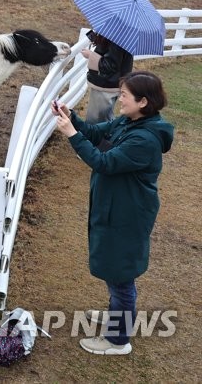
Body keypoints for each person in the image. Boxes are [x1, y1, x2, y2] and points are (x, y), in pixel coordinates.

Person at [52, 70, 174, 356]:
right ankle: (116, 317)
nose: (120, 100)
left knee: (121, 276)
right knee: (115, 271)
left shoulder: (144, 140)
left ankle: (118, 340)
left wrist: (70, 133)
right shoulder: (131, 121)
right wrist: (74, 119)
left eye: (124, 96)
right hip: (117, 207)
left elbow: (103, 162)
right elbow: (97, 133)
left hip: (128, 214)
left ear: (143, 101)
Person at [82, 30, 134, 124]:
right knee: (104, 118)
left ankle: (96, 139)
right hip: (111, 84)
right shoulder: (124, 35)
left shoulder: (117, 37)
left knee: (96, 122)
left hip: (106, 86)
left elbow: (109, 66)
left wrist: (90, 55)